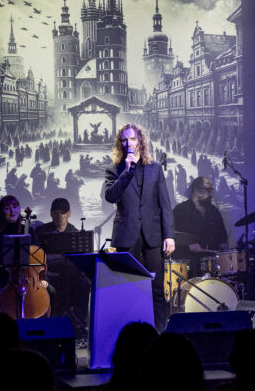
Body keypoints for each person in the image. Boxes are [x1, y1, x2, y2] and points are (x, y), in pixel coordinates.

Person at [102, 124, 175, 330]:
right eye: (124, 140)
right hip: (126, 234)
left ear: (140, 141)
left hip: (152, 235)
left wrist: (169, 235)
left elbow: (165, 204)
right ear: (120, 144)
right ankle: (129, 336)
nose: (128, 143)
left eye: (132, 139)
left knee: (156, 288)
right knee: (128, 287)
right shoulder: (114, 169)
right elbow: (110, 196)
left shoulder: (155, 168)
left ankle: (159, 333)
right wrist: (126, 172)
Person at [34, 197, 90, 334]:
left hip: (69, 276)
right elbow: (35, 258)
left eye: (63, 212)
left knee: (84, 284)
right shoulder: (41, 231)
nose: (59, 216)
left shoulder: (76, 233)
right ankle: (50, 326)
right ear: (51, 214)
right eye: (56, 212)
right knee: (48, 288)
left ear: (69, 214)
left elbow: (81, 261)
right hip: (47, 275)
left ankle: (78, 323)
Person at [173, 176, 228, 276]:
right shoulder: (180, 211)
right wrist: (188, 247)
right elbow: (173, 239)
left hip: (212, 265)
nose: (211, 194)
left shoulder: (214, 212)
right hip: (188, 264)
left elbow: (222, 238)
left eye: (211, 190)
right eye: (208, 190)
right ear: (197, 191)